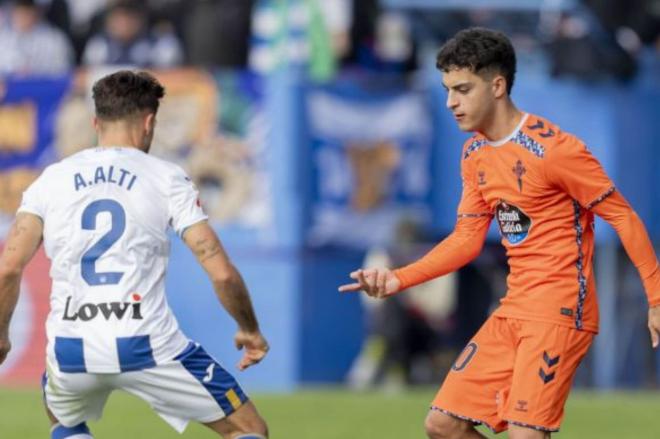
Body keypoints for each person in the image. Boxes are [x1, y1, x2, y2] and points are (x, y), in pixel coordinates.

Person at [339, 27, 660, 439]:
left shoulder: (556, 150)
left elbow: (624, 216)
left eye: (462, 89)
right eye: (447, 90)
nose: (451, 102)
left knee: (525, 433)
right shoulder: (475, 154)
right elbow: (465, 240)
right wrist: (399, 278)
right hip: (513, 310)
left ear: (497, 85)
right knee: (443, 425)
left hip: (560, 312)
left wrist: (655, 299)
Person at [0, 70, 269, 439]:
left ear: (96, 122)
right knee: (249, 429)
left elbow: (8, 268)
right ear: (149, 122)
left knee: (63, 419)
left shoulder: (51, 179)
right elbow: (221, 272)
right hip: (148, 344)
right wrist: (249, 329)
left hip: (71, 350)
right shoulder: (166, 178)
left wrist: (1, 334)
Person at [0, 0, 74, 76]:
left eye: (27, 14)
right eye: (20, 14)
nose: (24, 18)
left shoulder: (54, 39)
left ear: (36, 14)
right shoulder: (3, 38)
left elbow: (64, 71)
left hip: (44, 85)